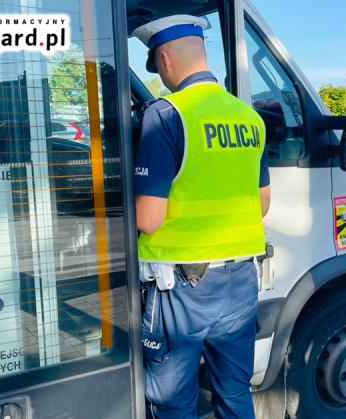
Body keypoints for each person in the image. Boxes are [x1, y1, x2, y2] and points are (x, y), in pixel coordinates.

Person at [132, 14, 270, 419]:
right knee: (234, 393)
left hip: (182, 290)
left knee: (174, 402)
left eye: (156, 67)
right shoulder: (249, 117)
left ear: (164, 59)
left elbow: (148, 219)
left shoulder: (166, 115)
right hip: (241, 282)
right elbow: (261, 204)